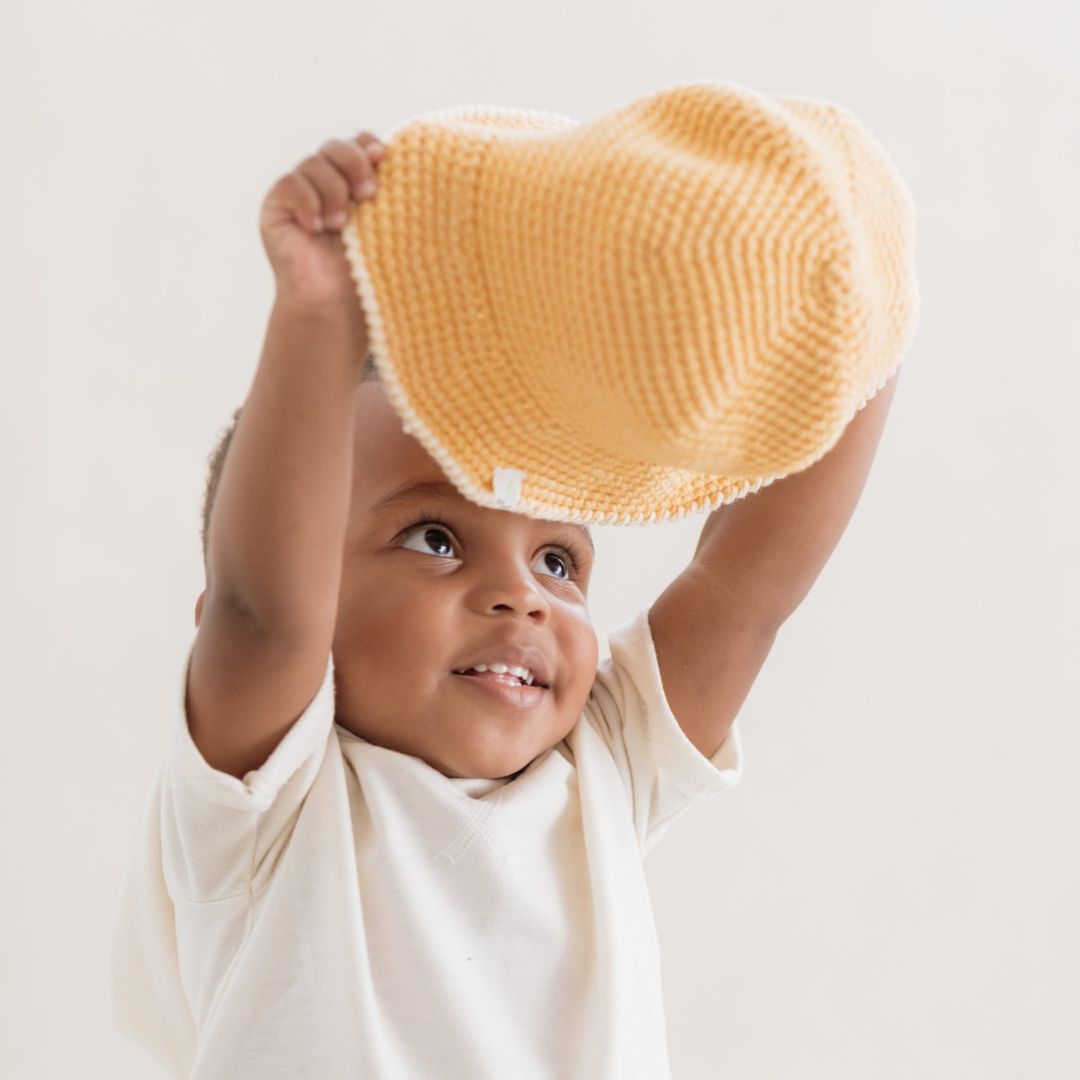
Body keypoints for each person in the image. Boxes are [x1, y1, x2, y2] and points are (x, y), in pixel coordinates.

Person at [111, 127, 898, 1079]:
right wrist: (318, 313)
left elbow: (747, 589)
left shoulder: (605, 761)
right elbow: (266, 612)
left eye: (560, 560)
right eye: (435, 539)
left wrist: (862, 325)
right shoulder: (269, 804)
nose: (522, 595)